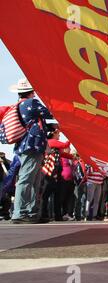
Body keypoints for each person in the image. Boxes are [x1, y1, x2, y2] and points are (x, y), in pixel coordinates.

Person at [8, 79, 54, 224]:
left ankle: (31, 212)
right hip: (32, 146)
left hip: (25, 146)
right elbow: (50, 113)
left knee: (33, 180)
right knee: (27, 179)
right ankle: (21, 212)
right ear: (32, 92)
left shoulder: (19, 105)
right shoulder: (32, 103)